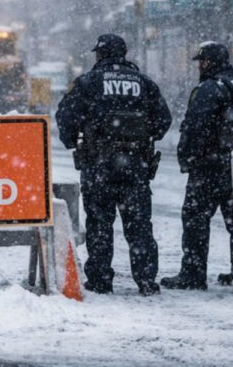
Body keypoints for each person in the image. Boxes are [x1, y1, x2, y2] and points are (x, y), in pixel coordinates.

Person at [56, 33, 171, 296]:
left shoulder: (88, 82)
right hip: (136, 166)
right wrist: (140, 136)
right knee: (140, 223)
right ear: (125, 52)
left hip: (99, 165)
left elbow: (65, 117)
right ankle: (145, 279)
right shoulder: (145, 83)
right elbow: (163, 120)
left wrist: (74, 141)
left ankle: (99, 279)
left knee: (99, 223)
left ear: (99, 55)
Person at [162, 41, 233, 291]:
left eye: (201, 61)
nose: (199, 66)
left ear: (208, 62)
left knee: (195, 219)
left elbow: (195, 125)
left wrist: (188, 157)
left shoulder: (210, 88)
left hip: (211, 166)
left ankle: (193, 274)